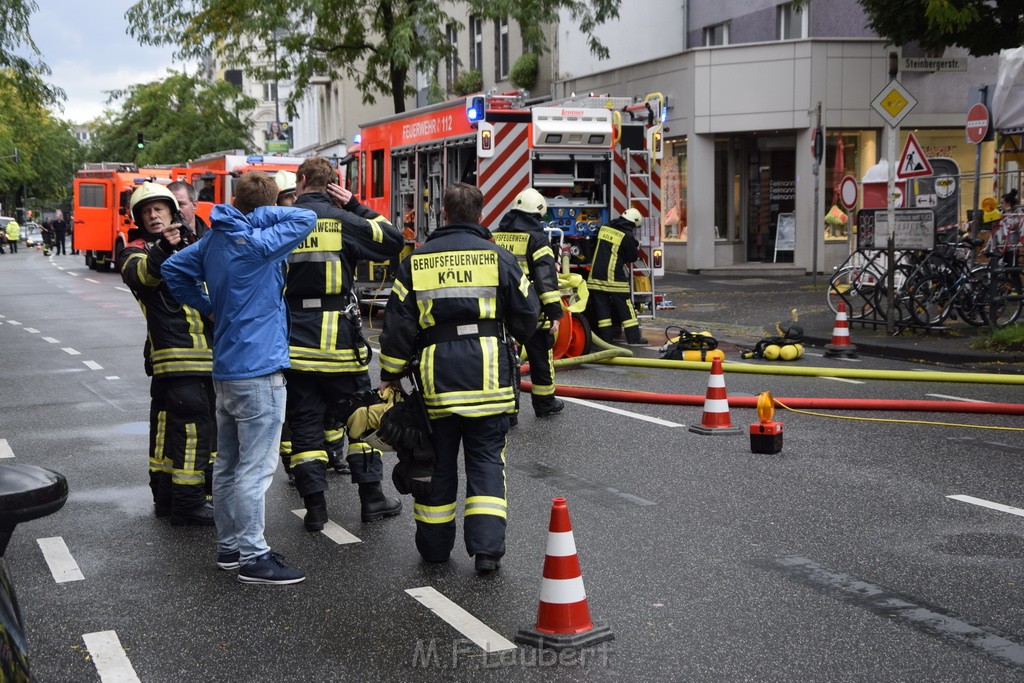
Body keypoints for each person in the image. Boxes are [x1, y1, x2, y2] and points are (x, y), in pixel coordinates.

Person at [162, 172, 317, 584]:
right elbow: (304, 220)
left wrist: (207, 306)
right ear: (265, 205)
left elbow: (174, 268)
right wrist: (259, 214)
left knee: (228, 463)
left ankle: (230, 548)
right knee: (255, 468)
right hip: (260, 371)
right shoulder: (258, 244)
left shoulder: (213, 239)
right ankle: (253, 556)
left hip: (227, 368)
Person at [378, 182, 540, 574]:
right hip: (490, 379)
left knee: (437, 462)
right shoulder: (499, 257)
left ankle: (435, 550)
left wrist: (392, 373)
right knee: (486, 461)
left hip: (437, 382)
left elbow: (398, 324)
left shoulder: (417, 261)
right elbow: (528, 315)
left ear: (444, 215)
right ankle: (486, 552)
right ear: (479, 215)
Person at [286, 156, 406, 531]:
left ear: (301, 181)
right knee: (361, 416)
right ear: (332, 184)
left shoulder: (282, 221)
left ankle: (316, 508)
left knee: (305, 424)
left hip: (294, 342)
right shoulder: (343, 221)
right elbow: (393, 240)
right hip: (340, 342)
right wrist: (354, 204)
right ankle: (372, 499)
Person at [118, 182, 216, 526]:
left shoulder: (192, 244)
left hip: (196, 358)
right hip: (179, 357)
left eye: (159, 208)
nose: (152, 215)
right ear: (139, 220)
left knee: (165, 430)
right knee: (195, 429)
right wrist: (163, 249)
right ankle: (189, 503)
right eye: (146, 211)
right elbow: (143, 277)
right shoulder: (136, 251)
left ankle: (165, 497)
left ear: (172, 212)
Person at [492, 187, 565, 418]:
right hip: (532, 312)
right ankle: (545, 404)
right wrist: (554, 312)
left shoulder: (496, 235)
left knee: (508, 362)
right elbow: (545, 279)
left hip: (502, 312)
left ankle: (509, 412)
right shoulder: (538, 239)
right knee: (540, 357)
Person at [587, 207, 648, 346]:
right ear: (632, 223)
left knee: (603, 312)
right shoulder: (627, 236)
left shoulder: (604, 228)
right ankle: (634, 338)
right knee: (626, 309)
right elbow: (632, 257)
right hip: (614, 280)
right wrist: (635, 245)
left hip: (595, 278)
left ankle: (606, 340)